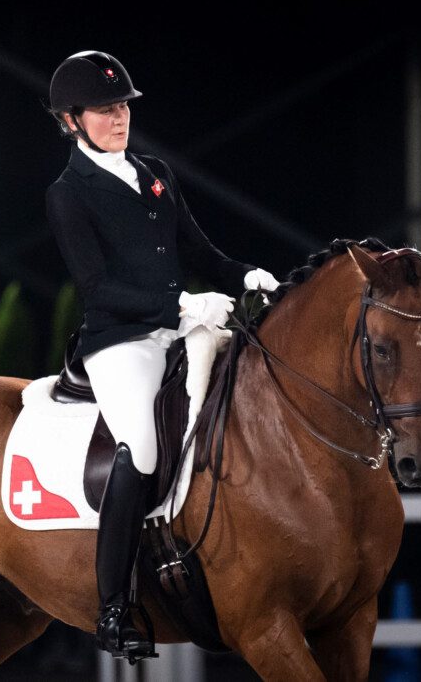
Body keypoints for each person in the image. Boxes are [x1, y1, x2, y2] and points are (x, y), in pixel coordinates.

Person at [45, 50, 279, 660]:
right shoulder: (69, 193)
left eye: (121, 105)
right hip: (120, 341)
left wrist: (245, 274)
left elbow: (198, 250)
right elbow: (98, 287)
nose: (118, 117)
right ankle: (113, 606)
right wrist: (183, 306)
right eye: (103, 109)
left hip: (179, 327)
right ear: (72, 120)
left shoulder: (154, 172)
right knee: (142, 448)